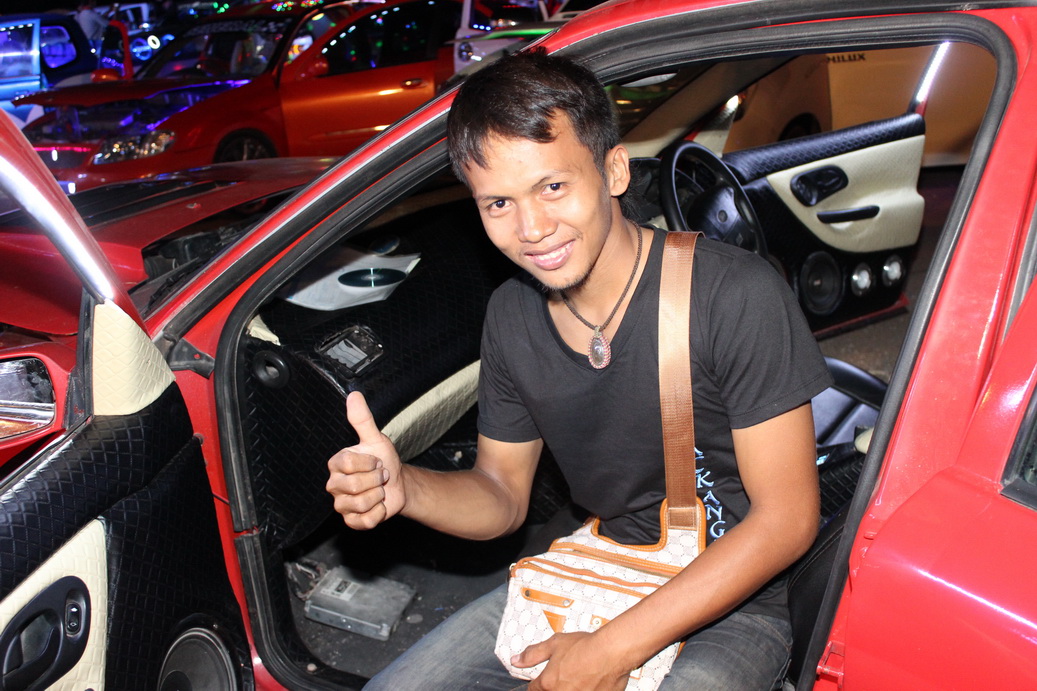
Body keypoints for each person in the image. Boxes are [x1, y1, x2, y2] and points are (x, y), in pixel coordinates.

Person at [326, 49, 833, 690]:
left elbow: (785, 520)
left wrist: (609, 650)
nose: (532, 228)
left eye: (553, 187)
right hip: (594, 567)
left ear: (613, 170)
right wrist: (405, 486)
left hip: (732, 601)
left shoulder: (733, 294)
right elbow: (502, 494)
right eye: (498, 203)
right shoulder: (511, 315)